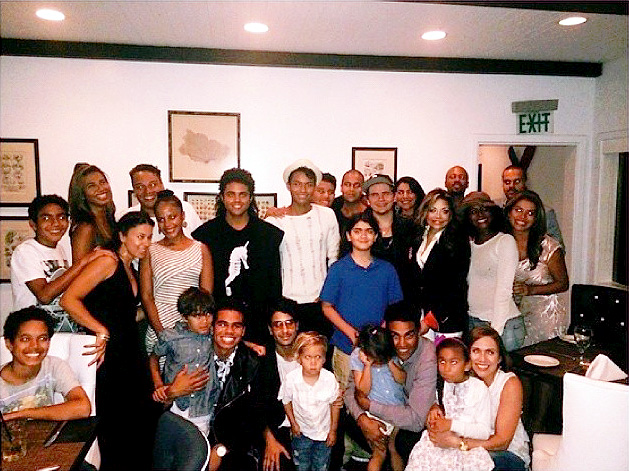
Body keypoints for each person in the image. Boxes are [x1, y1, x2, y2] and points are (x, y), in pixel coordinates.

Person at [60, 211, 160, 471]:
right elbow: (68, 300)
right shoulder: (108, 261)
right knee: (116, 427)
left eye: (149, 237)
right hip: (109, 354)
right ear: (122, 236)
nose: (146, 243)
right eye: (140, 237)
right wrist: (100, 329)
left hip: (130, 352)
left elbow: (125, 314)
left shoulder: (130, 267)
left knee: (141, 421)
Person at [193, 168, 283, 351]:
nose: (237, 200)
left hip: (259, 324)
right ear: (222, 197)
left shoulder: (269, 235)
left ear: (250, 198)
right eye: (231, 194)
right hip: (220, 325)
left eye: (243, 195)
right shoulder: (205, 235)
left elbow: (275, 285)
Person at [345, 301, 437, 465]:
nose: (402, 344)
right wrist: (362, 419)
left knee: (401, 444)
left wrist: (370, 406)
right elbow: (350, 390)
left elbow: (416, 420)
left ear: (419, 331)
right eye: (395, 336)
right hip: (381, 412)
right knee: (344, 421)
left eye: (409, 335)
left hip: (412, 419)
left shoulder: (427, 356)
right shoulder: (380, 345)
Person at [427, 326, 530, 471]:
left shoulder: (509, 384)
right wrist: (435, 407)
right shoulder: (462, 379)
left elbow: (502, 442)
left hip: (505, 454)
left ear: (499, 358)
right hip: (468, 448)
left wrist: (458, 443)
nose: (482, 359)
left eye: (490, 352)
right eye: (476, 351)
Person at [321, 212, 403, 390]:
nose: (363, 236)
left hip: (379, 347)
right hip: (346, 346)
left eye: (369, 231)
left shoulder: (387, 270)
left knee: (379, 395)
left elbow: (395, 307)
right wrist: (351, 333)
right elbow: (327, 307)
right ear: (348, 236)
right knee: (348, 396)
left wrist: (379, 334)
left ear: (376, 236)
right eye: (357, 231)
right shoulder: (338, 269)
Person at [10, 195, 111, 332]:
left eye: (61, 217)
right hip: (34, 333)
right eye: (46, 218)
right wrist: (84, 261)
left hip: (62, 331)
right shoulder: (25, 251)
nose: (56, 223)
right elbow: (44, 296)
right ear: (33, 224)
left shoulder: (59, 249)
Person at [266, 159, 340, 337]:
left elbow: (334, 258)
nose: (303, 190)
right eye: (297, 184)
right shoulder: (274, 221)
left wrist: (328, 294)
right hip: (287, 302)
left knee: (319, 350)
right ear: (288, 186)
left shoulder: (327, 215)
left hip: (320, 301)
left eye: (308, 184)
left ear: (314, 187)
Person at [140, 190, 213, 354]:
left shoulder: (201, 249)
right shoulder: (150, 251)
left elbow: (205, 296)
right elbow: (146, 296)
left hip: (192, 329)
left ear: (182, 216)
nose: (167, 224)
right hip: (159, 326)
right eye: (161, 219)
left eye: (172, 217)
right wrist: (162, 333)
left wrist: (194, 328)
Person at [405, 338, 493, 471]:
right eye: (442, 362)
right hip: (436, 444)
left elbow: (484, 432)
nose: (446, 368)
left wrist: (451, 425)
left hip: (466, 448)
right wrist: (433, 409)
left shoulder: (479, 389)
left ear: (467, 365)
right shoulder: (440, 384)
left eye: (454, 362)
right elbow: (434, 402)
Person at [150, 287, 219, 437]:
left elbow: (231, 341)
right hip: (177, 404)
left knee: (200, 446)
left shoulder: (212, 334)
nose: (204, 321)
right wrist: (159, 384)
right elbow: (154, 358)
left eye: (208, 314)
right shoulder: (171, 337)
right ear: (184, 316)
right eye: (197, 316)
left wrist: (251, 345)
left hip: (203, 406)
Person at [0, 307, 91, 421]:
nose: (35, 346)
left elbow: (83, 407)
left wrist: (23, 414)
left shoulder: (53, 366)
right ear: (9, 344)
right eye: (25, 339)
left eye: (42, 338)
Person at [460, 192, 524, 352]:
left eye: (484, 209)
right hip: (474, 321)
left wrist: (495, 332)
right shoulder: (470, 245)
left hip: (502, 325)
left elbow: (504, 290)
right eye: (474, 211)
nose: (480, 215)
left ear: (493, 212)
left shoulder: (504, 241)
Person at [505, 190, 569, 346]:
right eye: (518, 210)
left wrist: (530, 290)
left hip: (545, 317)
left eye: (530, 213)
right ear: (509, 213)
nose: (522, 217)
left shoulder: (549, 246)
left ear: (536, 219)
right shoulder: (500, 243)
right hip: (513, 315)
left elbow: (563, 284)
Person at [405, 189, 470, 339]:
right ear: (425, 211)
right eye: (432, 210)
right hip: (419, 315)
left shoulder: (457, 241)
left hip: (446, 318)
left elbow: (456, 286)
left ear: (451, 214)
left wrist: (430, 319)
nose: (438, 216)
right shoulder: (417, 236)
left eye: (444, 211)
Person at [280, 332, 340, 471]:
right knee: (301, 465)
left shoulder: (329, 379)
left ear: (324, 359)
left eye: (318, 357)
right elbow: (286, 401)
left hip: (324, 434)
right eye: (308, 357)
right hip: (301, 433)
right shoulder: (291, 379)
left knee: (321, 465)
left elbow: (335, 405)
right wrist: (293, 423)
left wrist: (333, 431)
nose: (313, 363)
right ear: (299, 358)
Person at [350, 325, 406, 471]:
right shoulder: (357, 356)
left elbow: (402, 379)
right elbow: (363, 390)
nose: (379, 362)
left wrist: (389, 361)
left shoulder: (389, 353)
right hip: (375, 413)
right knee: (379, 452)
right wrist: (367, 366)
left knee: (394, 448)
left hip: (397, 410)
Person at [258, 299, 302, 471]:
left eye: (289, 323)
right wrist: (269, 440)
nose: (285, 331)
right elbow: (256, 406)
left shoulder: (313, 354)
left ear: (297, 325)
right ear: (270, 329)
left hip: (312, 426)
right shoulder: (262, 360)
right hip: (278, 429)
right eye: (278, 325)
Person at [362, 174, 416, 292]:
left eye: (386, 193)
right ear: (368, 200)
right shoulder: (359, 229)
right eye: (375, 195)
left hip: (403, 294)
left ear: (394, 196)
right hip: (367, 293)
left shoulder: (410, 228)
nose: (381, 199)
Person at [124, 164, 202, 240]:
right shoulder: (127, 219)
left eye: (153, 184)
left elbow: (201, 243)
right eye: (140, 187)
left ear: (162, 184)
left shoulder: (186, 209)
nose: (147, 191)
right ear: (134, 190)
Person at [500, 165, 564, 247]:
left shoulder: (545, 212)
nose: (511, 186)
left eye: (517, 181)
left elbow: (557, 246)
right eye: (507, 182)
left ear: (525, 183)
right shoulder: (495, 210)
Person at [67, 163, 117, 262]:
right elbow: (79, 268)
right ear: (82, 194)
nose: (101, 188)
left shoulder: (109, 220)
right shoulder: (85, 228)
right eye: (91, 186)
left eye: (102, 182)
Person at [330, 169, 368, 235]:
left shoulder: (369, 212)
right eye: (347, 185)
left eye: (356, 185)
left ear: (362, 188)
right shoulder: (333, 207)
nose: (351, 189)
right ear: (341, 187)